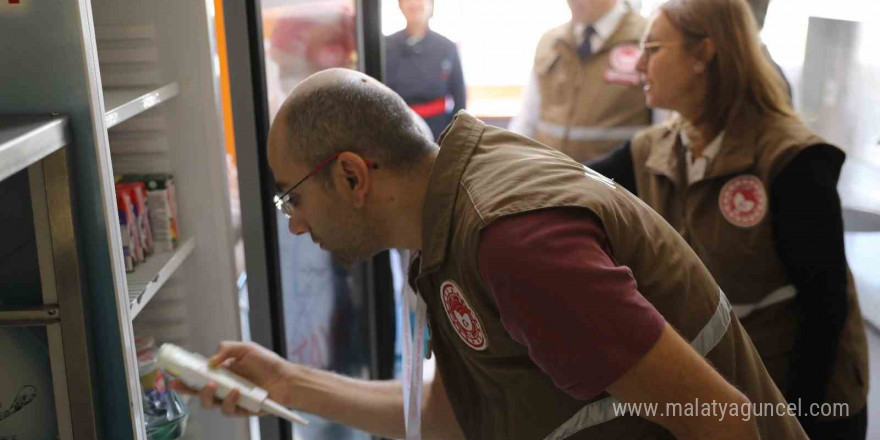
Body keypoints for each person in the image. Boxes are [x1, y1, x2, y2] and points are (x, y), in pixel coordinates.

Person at [174, 68, 809, 439]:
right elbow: (439, 419)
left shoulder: (513, 244)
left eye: (293, 198)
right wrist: (289, 382)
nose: (294, 225)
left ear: (350, 175)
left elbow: (723, 423)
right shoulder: (453, 219)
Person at [588, 0, 868, 438]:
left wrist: (796, 420)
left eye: (654, 49)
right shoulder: (654, 151)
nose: (639, 64)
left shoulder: (791, 160)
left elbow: (825, 311)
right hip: (726, 396)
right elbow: (573, 177)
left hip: (805, 399)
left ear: (704, 55)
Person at [508, 0, 651, 163]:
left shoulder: (647, 39)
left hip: (615, 182)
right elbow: (527, 118)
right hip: (549, 176)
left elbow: (664, 126)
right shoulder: (551, 42)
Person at [385, 0, 466, 140]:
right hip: (396, 130)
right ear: (400, 5)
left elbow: (460, 96)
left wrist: (453, 135)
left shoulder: (447, 47)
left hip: (439, 131)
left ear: (431, 5)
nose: (414, 4)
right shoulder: (384, 46)